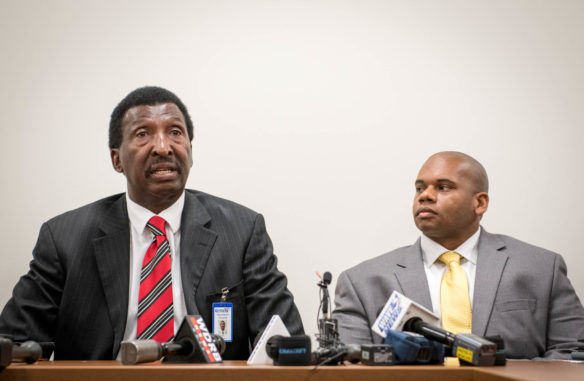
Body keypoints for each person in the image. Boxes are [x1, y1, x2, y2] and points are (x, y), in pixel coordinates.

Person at [0, 86, 304, 360]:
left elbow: (286, 345)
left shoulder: (242, 231)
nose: (163, 147)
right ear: (116, 159)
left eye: (175, 132)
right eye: (143, 133)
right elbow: (13, 344)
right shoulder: (64, 238)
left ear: (191, 151)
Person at [333, 151, 584, 359]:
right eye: (420, 188)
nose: (425, 195)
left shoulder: (541, 268)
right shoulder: (361, 282)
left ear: (480, 203)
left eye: (443, 187)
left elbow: (572, 353)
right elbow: (350, 367)